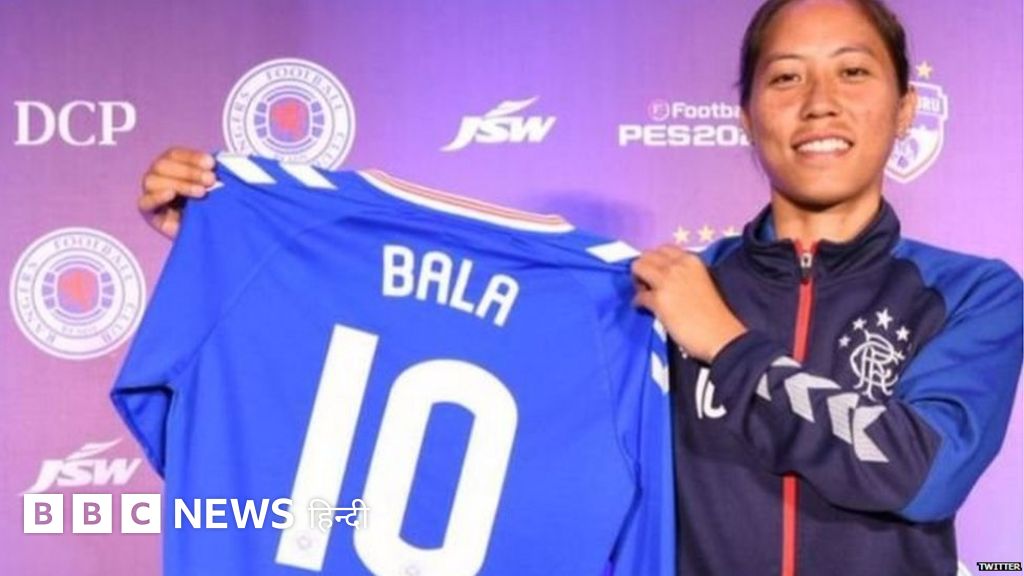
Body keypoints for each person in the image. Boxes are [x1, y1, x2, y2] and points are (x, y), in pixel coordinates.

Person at [136, 0, 1022, 574]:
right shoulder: (650, 292)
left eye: (853, 71)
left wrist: (724, 343)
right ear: (747, 112)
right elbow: (421, 360)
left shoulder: (972, 294)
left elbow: (922, 472)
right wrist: (244, 258)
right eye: (786, 76)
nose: (819, 101)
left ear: (905, 106)